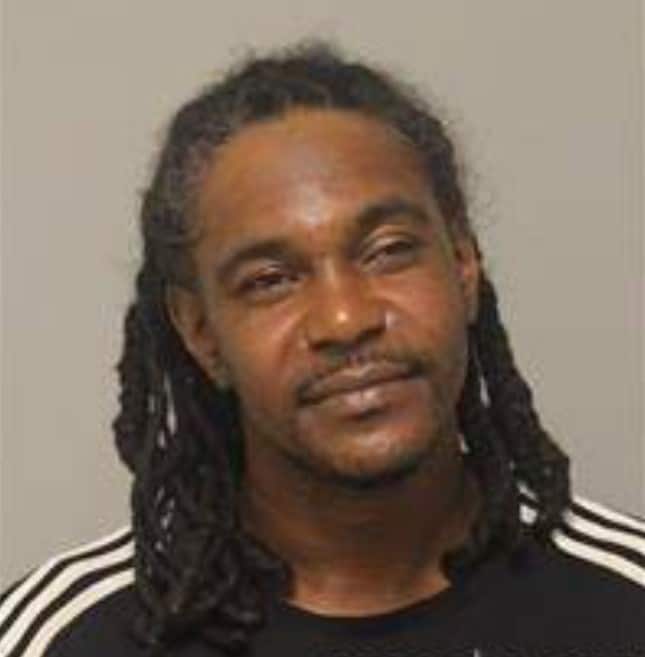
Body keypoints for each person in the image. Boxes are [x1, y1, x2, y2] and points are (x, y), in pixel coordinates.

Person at [1, 43, 643, 657]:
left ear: (463, 263)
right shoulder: (61, 639)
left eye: (389, 250)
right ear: (200, 333)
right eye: (269, 280)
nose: (345, 319)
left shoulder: (624, 604)